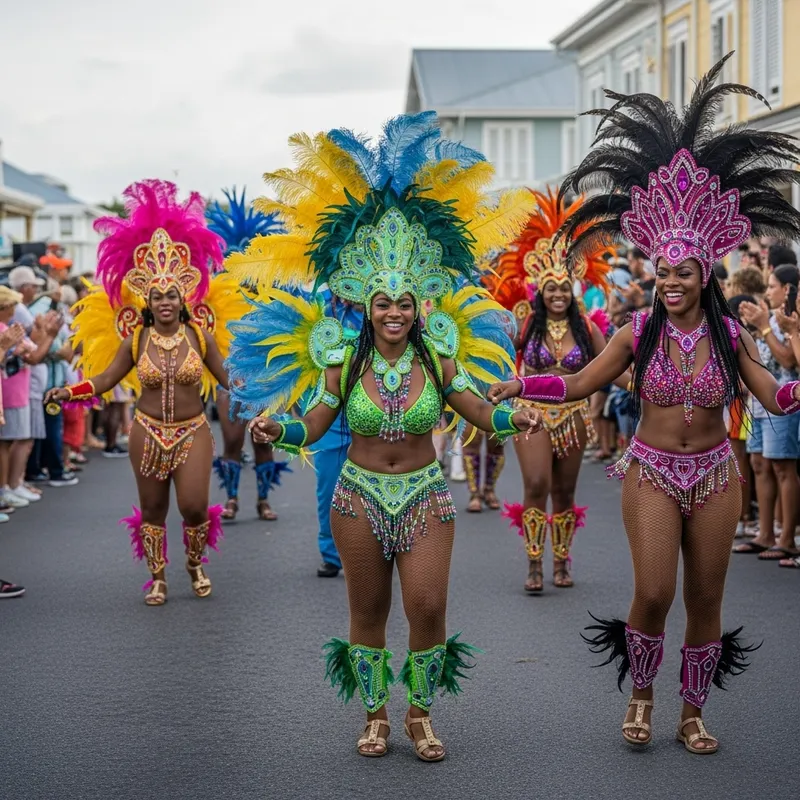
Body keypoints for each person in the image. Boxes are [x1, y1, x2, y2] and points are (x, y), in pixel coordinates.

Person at [489, 54, 800, 754]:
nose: (668, 283)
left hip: (719, 474)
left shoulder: (726, 333)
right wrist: (523, 383)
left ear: (704, 275)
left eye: (682, 274)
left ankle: (692, 712)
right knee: (655, 592)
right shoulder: (634, 332)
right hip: (654, 471)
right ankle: (641, 693)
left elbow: (773, 395)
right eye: (661, 272)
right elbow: (578, 383)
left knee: (707, 600)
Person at [228, 114, 542, 761]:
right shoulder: (341, 360)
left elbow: (479, 413)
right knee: (366, 615)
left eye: (404, 301)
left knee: (427, 608)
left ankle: (421, 715)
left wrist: (521, 417)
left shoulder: (439, 359)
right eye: (383, 302)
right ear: (365, 303)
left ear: (420, 302)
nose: (394, 311)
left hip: (425, 494)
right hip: (358, 497)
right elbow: (314, 423)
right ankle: (375, 717)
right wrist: (274, 427)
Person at [45, 180, 241, 605]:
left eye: (172, 294)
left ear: (183, 296)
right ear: (147, 300)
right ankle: (158, 578)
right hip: (147, 432)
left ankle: (194, 563)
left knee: (192, 506)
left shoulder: (200, 336)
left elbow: (227, 380)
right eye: (157, 296)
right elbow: (105, 380)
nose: (165, 301)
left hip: (192, 432)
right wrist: (68, 391)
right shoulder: (135, 340)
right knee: (152, 510)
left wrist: (262, 388)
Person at [485, 187, 614, 592]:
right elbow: (506, 361)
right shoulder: (526, 324)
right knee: (537, 484)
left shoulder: (587, 328)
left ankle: (561, 562)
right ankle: (534, 564)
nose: (558, 295)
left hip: (573, 415)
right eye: (551, 289)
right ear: (540, 292)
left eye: (564, 289)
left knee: (564, 490)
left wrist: (649, 383)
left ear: (573, 291)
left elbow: (613, 365)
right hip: (532, 415)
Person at [206, 188, 290, 522]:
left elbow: (281, 344)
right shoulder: (222, 301)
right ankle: (232, 499)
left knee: (264, 443)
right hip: (230, 381)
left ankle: (263, 500)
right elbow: (213, 341)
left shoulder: (272, 303)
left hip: (263, 383)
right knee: (230, 441)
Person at [735, 265, 800, 561]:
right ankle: (765, 534)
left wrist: (763, 327)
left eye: (772, 286)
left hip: (784, 398)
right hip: (757, 402)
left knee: (782, 467)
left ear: (787, 289)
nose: (768, 291)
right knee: (759, 463)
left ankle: (786, 538)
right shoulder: (770, 316)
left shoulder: (787, 320)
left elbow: (788, 361)